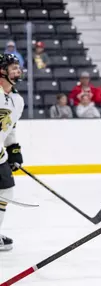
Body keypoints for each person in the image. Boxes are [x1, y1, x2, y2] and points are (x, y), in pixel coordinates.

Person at [0, 54, 25, 251]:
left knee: (6, 191)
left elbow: (10, 127)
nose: (18, 70)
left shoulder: (17, 100)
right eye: (13, 67)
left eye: (18, 67)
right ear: (2, 71)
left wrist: (13, 149)